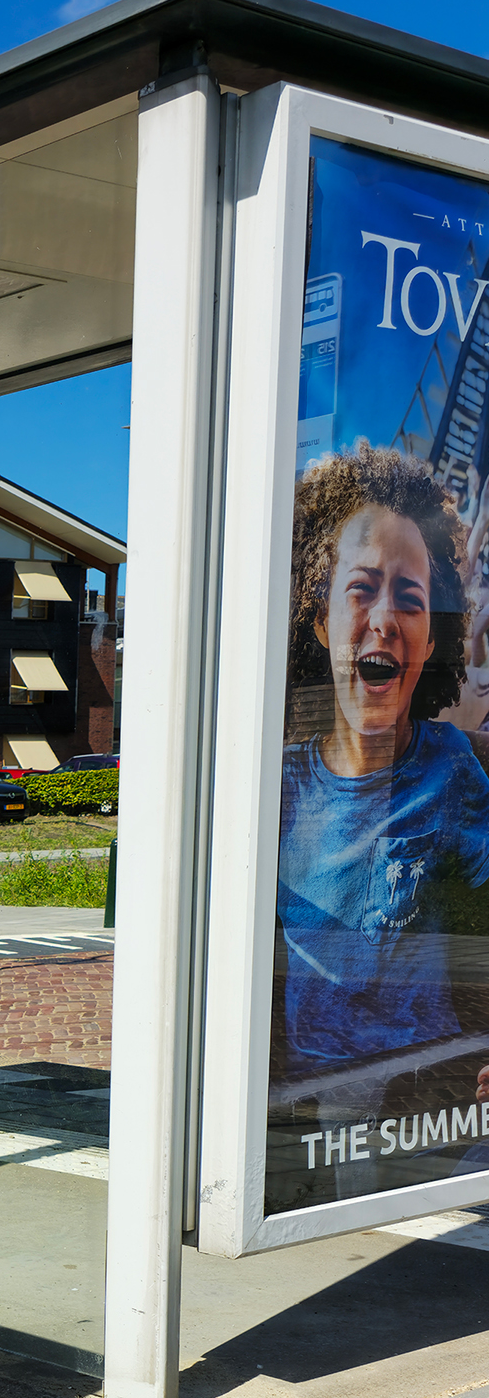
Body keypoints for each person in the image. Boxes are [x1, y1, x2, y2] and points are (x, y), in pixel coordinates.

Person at [277, 443, 489, 1151]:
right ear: (318, 620)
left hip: (426, 1105)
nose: (386, 618)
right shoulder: (278, 787)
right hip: (305, 1117)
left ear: (431, 639)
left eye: (412, 597)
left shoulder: (453, 768)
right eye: (362, 587)